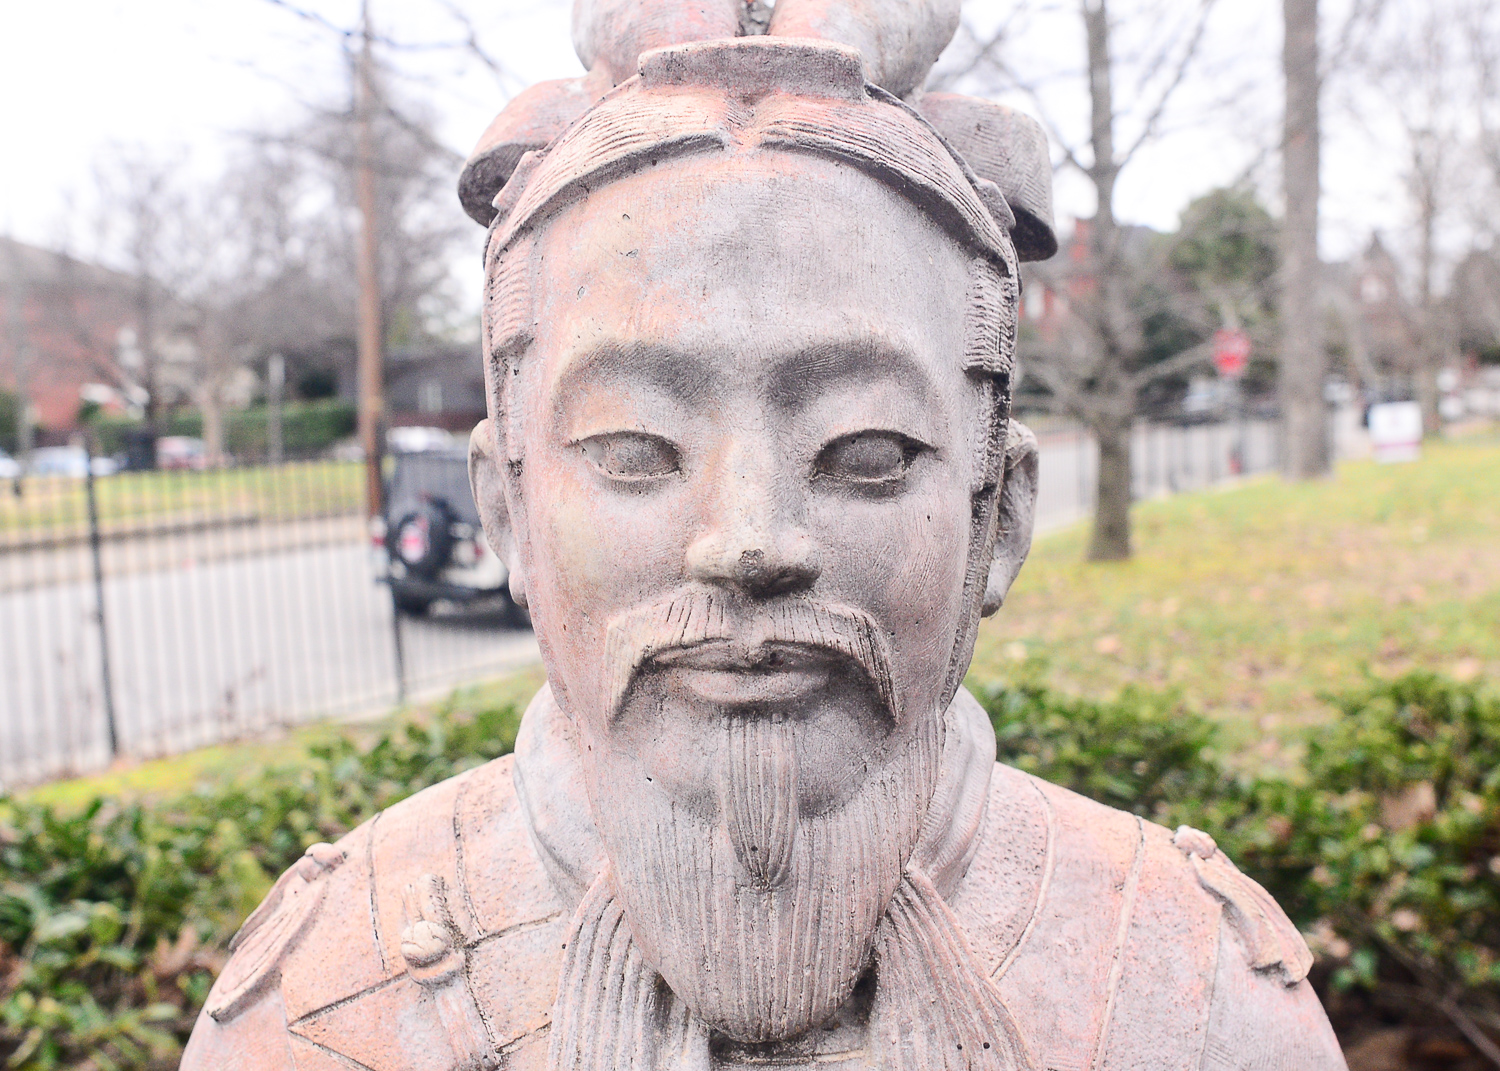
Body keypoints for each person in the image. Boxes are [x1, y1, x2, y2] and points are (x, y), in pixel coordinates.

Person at [181, 9, 1347, 1071]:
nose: (748, 543)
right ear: (505, 512)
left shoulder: (1196, 998)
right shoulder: (322, 1006)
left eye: (867, 451)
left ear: (1000, 516)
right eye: (636, 448)